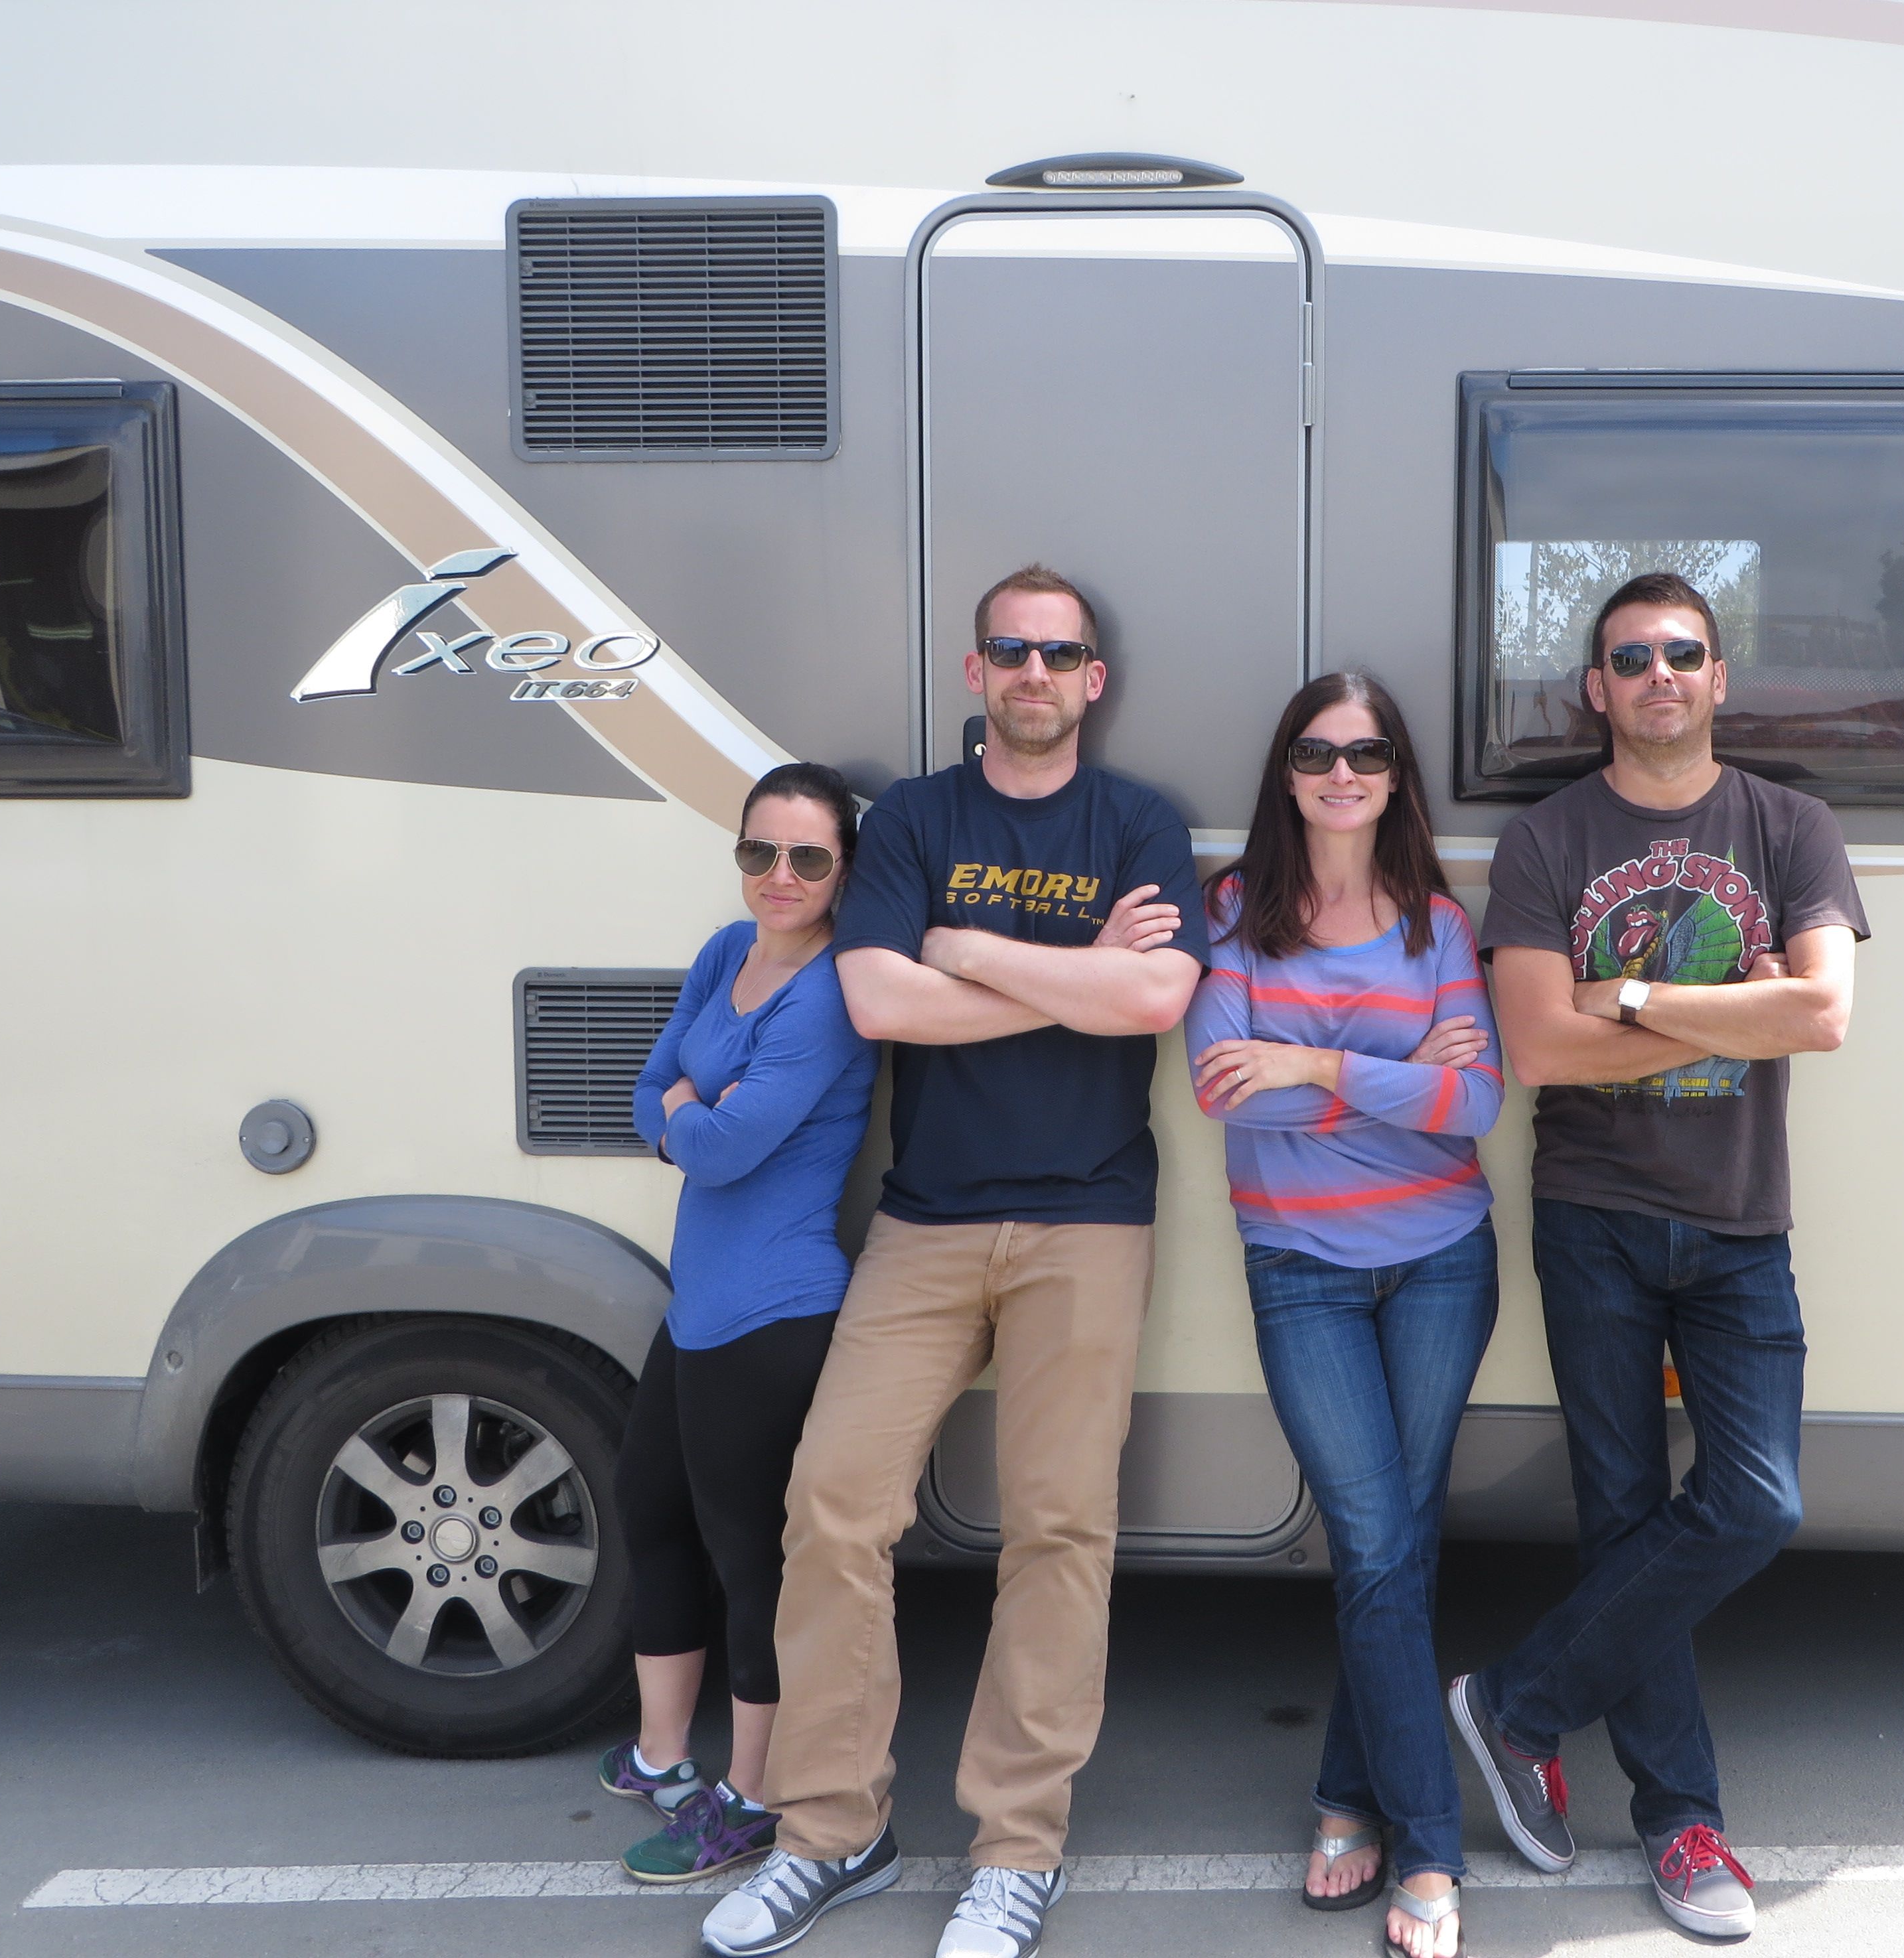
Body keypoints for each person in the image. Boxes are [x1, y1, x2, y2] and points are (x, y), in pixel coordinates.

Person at [702, 565, 1205, 1958]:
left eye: (1059, 653)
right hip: (922, 1222)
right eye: (1010, 649)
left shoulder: (1138, 821)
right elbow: (879, 999)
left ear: (1093, 679)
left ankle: (1015, 1850)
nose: (1035, 672)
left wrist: (969, 947)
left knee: (1058, 1528)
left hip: (1088, 1221)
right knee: (831, 1507)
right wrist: (1074, 971)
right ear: (975, 670)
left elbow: (1156, 998)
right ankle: (830, 1831)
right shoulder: (915, 820)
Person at [1445, 571, 1866, 1942]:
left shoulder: (1788, 827)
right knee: (1622, 1520)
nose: (1658, 675)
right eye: (1629, 659)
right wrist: (1735, 1009)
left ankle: (1515, 1704)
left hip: (1741, 1223)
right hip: (1595, 1218)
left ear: (1718, 677)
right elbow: (1536, 1048)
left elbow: (1820, 1016)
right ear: (1596, 689)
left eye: (1682, 652)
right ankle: (1683, 1823)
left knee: (1755, 1504)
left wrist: (1624, 994)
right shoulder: (1547, 839)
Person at [1185, 670, 1502, 1958]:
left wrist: (1313, 1063)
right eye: (1317, 753)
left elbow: (1476, 1106)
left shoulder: (1438, 924)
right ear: (1287, 771)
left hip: (1443, 1263)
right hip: (1301, 1268)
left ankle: (1344, 1797)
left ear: (1394, 776)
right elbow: (1225, 1095)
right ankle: (1429, 1851)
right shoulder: (1233, 915)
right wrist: (1393, 1076)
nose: (1341, 774)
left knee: (1396, 1548)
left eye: (1365, 754)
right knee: (1377, 1546)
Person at [607, 760, 877, 1885]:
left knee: (750, 1561)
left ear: (843, 870)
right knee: (649, 1507)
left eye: (809, 857)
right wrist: (681, 1109)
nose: (781, 875)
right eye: (760, 851)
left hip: (772, 1317)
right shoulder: (729, 953)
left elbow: (722, 1149)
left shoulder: (830, 995)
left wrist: (682, 1112)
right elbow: (648, 1086)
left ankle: (757, 1796)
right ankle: (663, 1756)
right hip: (699, 1307)